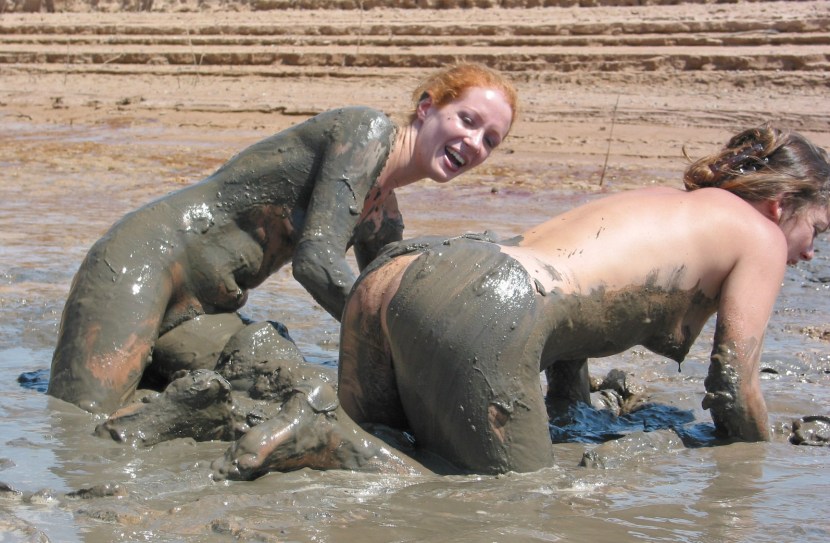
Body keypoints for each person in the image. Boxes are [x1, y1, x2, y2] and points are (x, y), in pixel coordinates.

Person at [211, 123, 829, 479]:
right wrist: (754, 466)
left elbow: (573, 316)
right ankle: (327, 433)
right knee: (515, 501)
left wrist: (570, 415)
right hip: (483, 299)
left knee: (390, 453)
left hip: (405, 275)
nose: (808, 253)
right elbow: (731, 384)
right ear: (781, 205)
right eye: (817, 233)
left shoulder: (665, 202)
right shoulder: (761, 235)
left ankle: (330, 429)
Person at [47, 63, 518, 415]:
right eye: (467, 120)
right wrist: (406, 345)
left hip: (206, 309)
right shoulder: (365, 132)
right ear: (427, 108)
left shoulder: (384, 219)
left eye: (491, 140)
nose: (475, 143)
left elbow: (381, 303)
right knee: (80, 420)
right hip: (145, 260)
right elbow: (316, 263)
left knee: (263, 389)